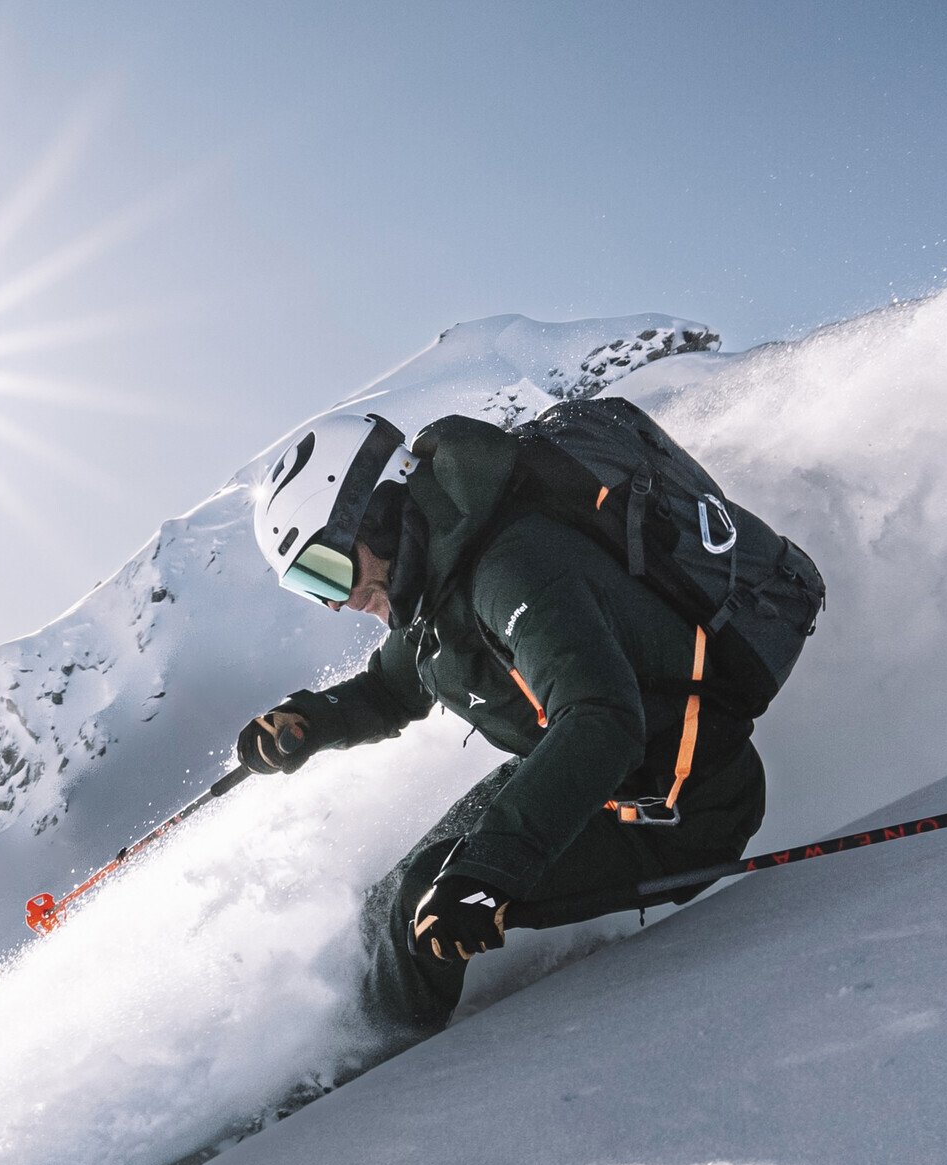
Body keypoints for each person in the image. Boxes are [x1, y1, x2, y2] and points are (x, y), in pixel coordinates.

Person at [239, 407, 767, 1055]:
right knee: (385, 901)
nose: (339, 602)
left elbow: (601, 718)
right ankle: (345, 1037)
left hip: (681, 807)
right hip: (583, 780)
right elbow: (388, 691)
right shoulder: (431, 592)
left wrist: (490, 868)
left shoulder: (511, 567)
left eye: (330, 569)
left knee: (418, 907)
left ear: (374, 512)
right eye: (311, 587)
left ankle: (375, 1070)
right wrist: (309, 722)